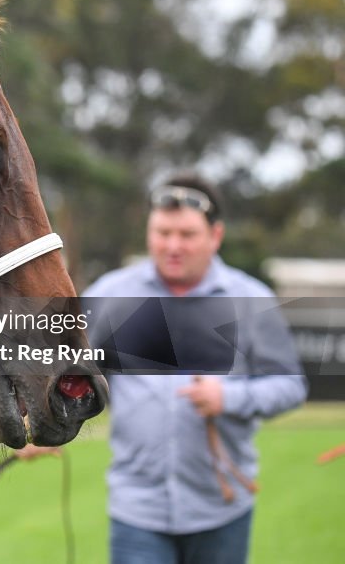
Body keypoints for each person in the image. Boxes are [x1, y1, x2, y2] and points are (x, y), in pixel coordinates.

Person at [82, 174, 308, 564]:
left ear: (215, 235)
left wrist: (230, 397)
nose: (172, 246)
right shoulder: (108, 294)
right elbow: (69, 372)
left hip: (220, 507)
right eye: (162, 232)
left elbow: (291, 386)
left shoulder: (252, 298)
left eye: (186, 234)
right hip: (137, 509)